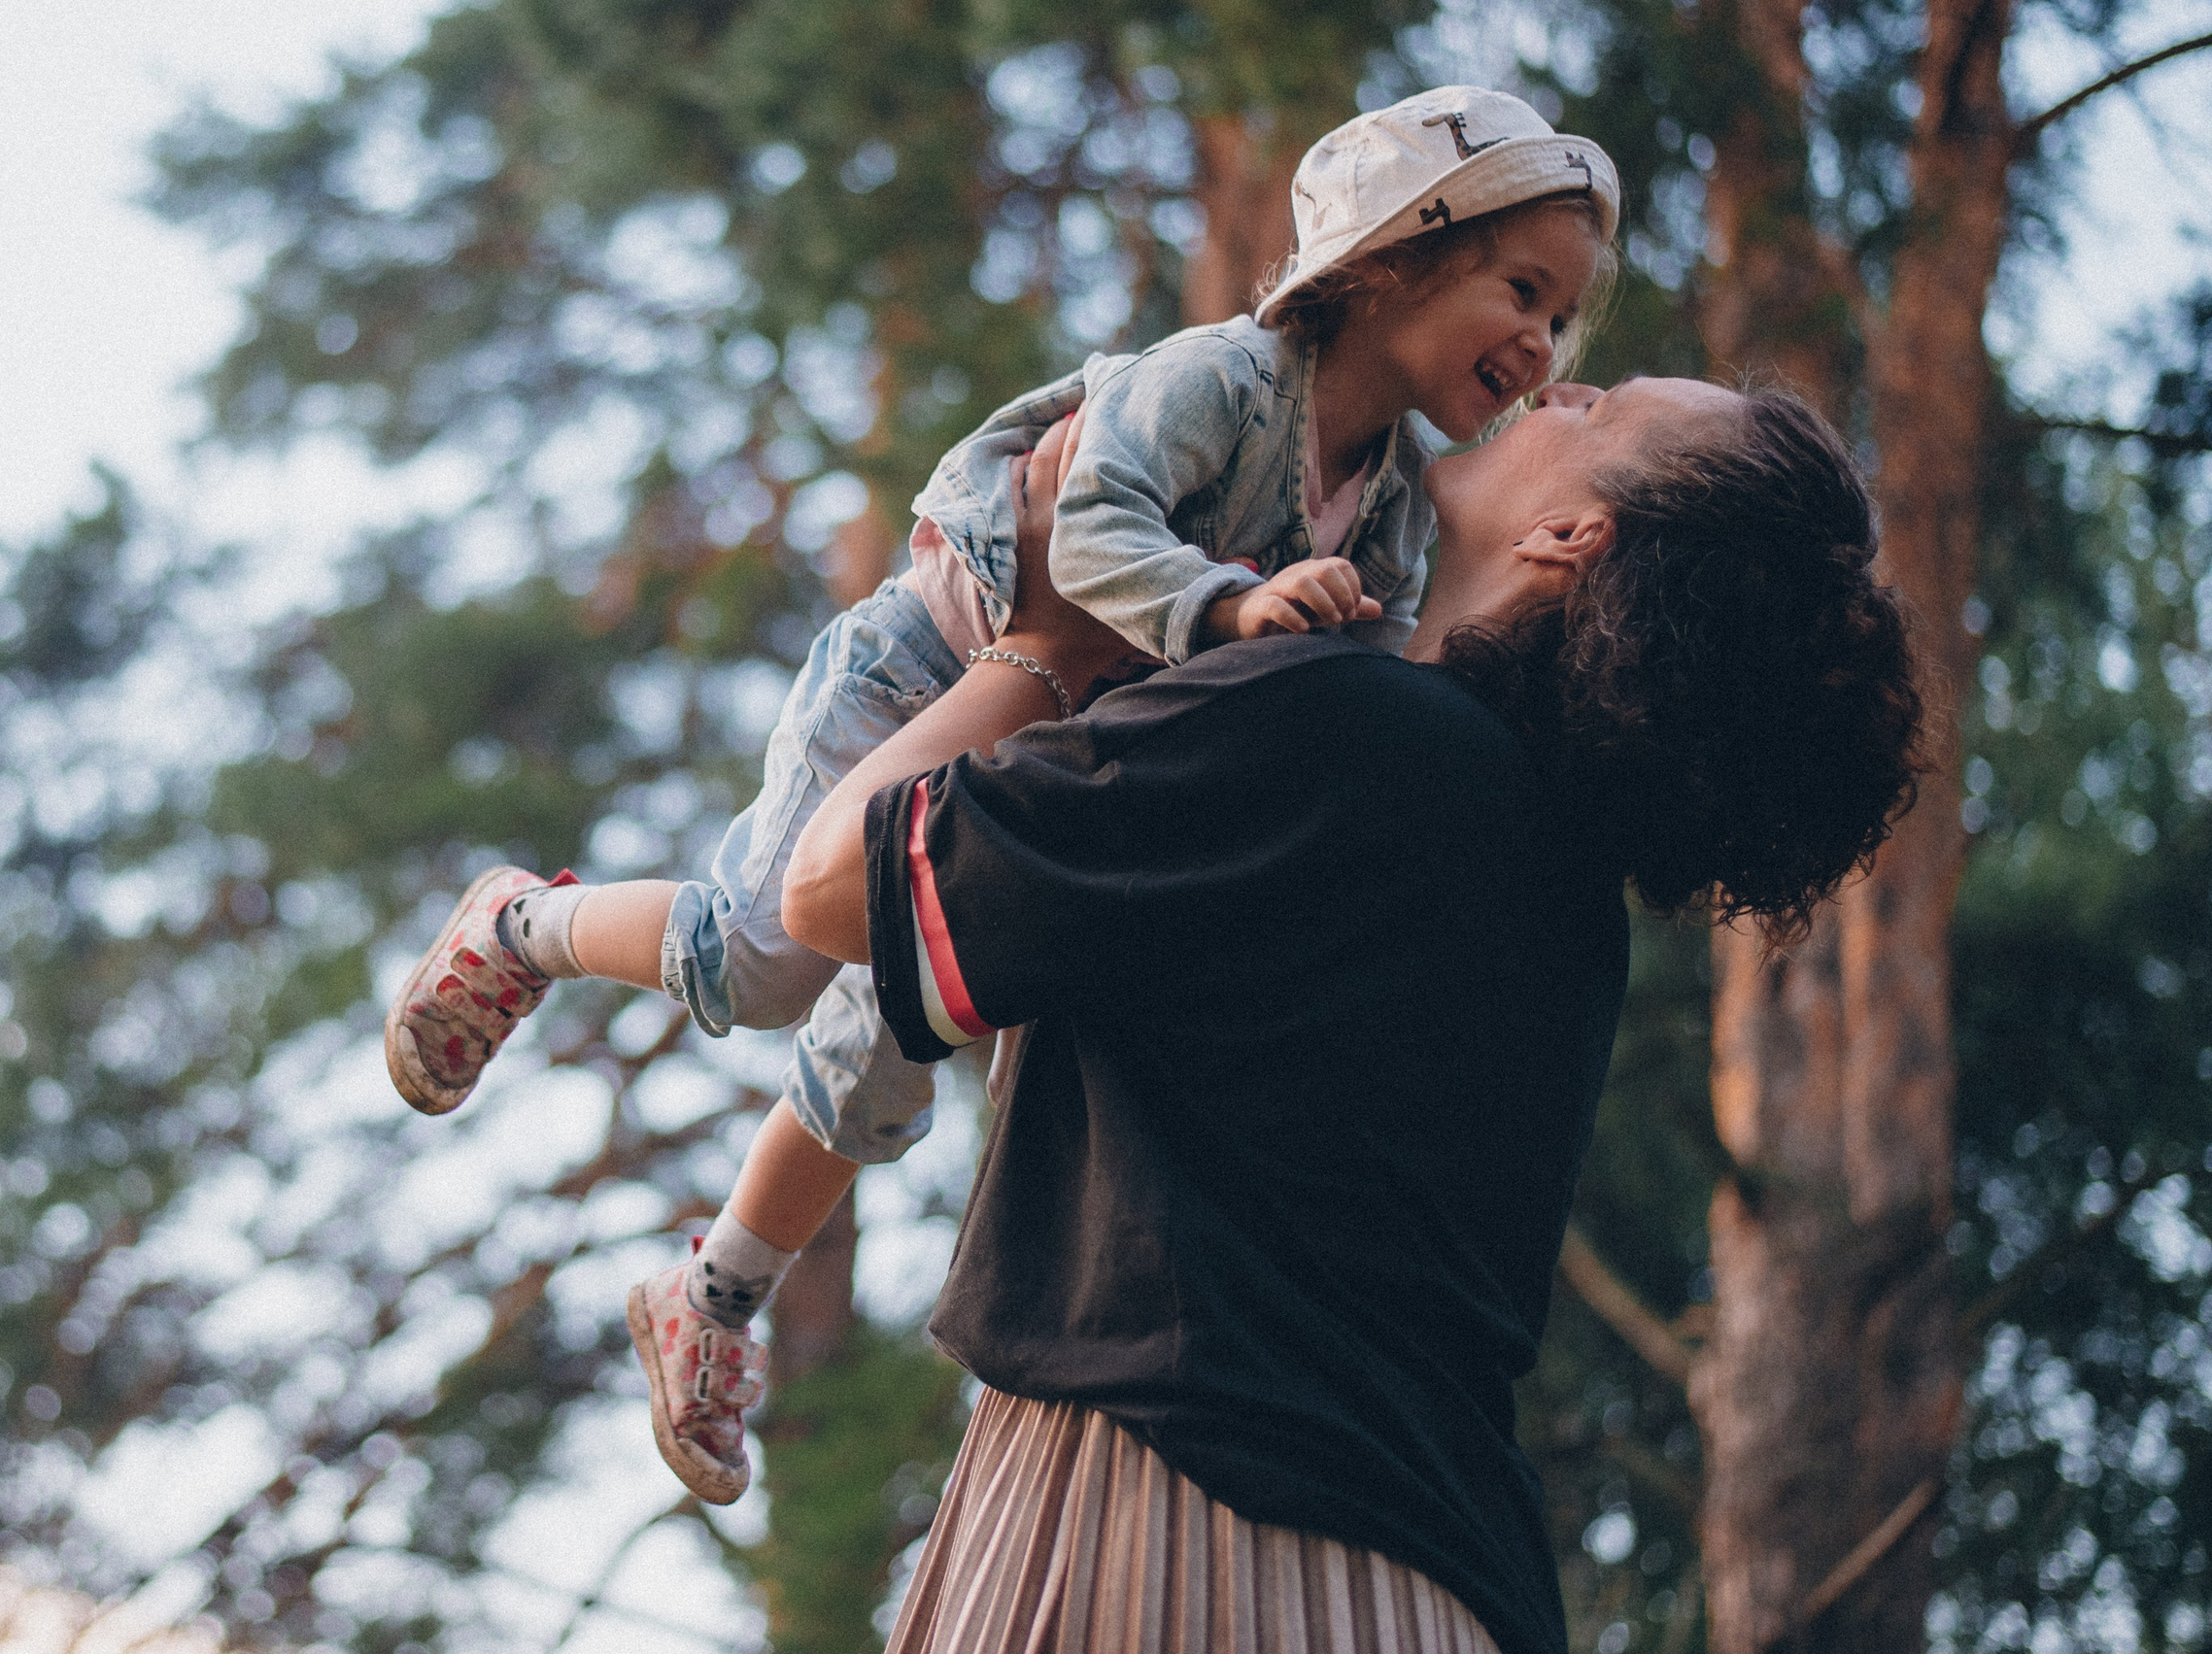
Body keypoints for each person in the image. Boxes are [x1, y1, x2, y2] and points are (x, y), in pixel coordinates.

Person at [380, 85, 1622, 1502]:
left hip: (1046, 735)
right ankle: (526, 927)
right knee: (764, 961)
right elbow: (1088, 530)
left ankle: (715, 1296)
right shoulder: (1223, 379)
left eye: (1565, 320)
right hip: (933, 662)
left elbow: (1362, 680)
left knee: (891, 1035)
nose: (1541, 345)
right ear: (1398, 254)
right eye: (1523, 291)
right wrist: (1227, 610)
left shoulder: (1395, 501)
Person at [774, 376, 1923, 1652]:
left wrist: (1040, 639)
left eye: (1599, 409)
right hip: (1441, 1582)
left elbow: (826, 889)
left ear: (1571, 536)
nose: (1556, 380)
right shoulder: (1561, 896)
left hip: (1171, 1538)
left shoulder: (1330, 723)